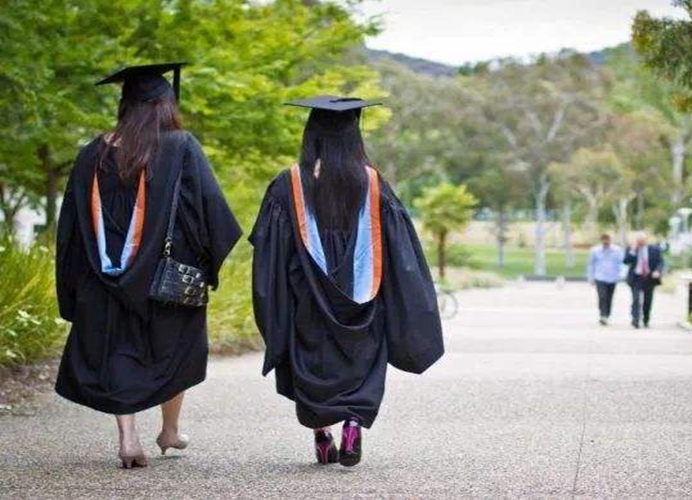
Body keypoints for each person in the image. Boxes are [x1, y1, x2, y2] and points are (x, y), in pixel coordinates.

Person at [54, 63, 242, 469]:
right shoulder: (180, 146)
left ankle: (128, 439)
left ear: (125, 105)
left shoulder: (91, 153)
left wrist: (71, 286)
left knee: (118, 349)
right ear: (164, 105)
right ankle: (170, 431)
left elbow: (69, 225)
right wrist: (207, 263)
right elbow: (211, 212)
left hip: (101, 278)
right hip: (164, 280)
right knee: (174, 349)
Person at [250, 96, 444, 467]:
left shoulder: (287, 183)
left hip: (305, 298)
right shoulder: (372, 182)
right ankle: (353, 422)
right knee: (361, 362)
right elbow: (400, 249)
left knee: (311, 363)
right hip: (363, 301)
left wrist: (274, 300)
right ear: (354, 136)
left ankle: (322, 435)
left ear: (311, 135)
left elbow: (269, 249)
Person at [623, 232, 664, 328]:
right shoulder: (631, 249)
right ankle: (635, 320)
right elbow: (625, 261)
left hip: (649, 278)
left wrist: (657, 271)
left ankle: (646, 319)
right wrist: (633, 250)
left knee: (648, 301)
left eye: (642, 240)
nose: (640, 242)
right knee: (636, 299)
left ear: (646, 240)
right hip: (636, 278)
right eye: (638, 240)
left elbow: (661, 262)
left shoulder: (654, 249)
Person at [586, 233, 624, 325]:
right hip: (600, 277)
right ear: (601, 241)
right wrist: (591, 277)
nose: (606, 242)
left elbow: (621, 263)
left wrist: (621, 275)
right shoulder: (595, 251)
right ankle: (603, 315)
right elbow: (591, 264)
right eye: (604, 241)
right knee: (602, 297)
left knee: (609, 298)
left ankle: (607, 315)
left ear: (610, 241)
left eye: (607, 240)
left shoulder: (617, 250)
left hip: (612, 277)